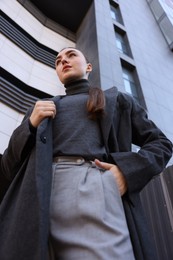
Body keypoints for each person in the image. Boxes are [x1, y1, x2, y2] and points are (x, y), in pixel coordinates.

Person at [0, 47, 172, 260]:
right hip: (34, 196)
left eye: (71, 55)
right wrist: (30, 126)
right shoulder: (40, 109)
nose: (63, 61)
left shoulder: (117, 100)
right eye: (58, 61)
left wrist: (126, 171)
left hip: (93, 188)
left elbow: (161, 143)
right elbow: (7, 168)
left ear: (88, 67)